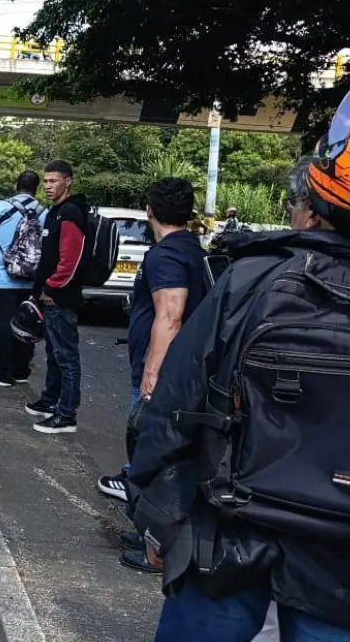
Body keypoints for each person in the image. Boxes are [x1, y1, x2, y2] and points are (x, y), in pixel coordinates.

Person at [129, 101, 350, 640]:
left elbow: (176, 405)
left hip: (230, 528)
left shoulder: (254, 278)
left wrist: (154, 512)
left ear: (312, 211)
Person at [93, 178, 209, 574]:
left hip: (170, 377)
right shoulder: (190, 249)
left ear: (149, 211)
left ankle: (158, 548)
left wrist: (151, 376)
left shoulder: (166, 255)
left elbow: (171, 315)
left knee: (156, 459)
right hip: (186, 373)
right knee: (158, 457)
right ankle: (149, 533)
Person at [25, 160, 88, 434]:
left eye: (54, 181)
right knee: (53, 353)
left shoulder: (71, 213)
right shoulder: (56, 212)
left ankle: (66, 415)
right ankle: (50, 401)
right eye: (46, 181)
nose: (48, 186)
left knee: (66, 357)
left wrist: (51, 288)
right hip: (50, 297)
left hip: (61, 298)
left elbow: (70, 260)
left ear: (68, 181)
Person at [0, 170, 45, 387]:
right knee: (27, 321)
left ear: (17, 186)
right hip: (32, 278)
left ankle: (2, 374)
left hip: (2, 278)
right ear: (37, 188)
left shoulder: (0, 208)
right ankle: (21, 371)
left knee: (2, 324)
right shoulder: (44, 212)